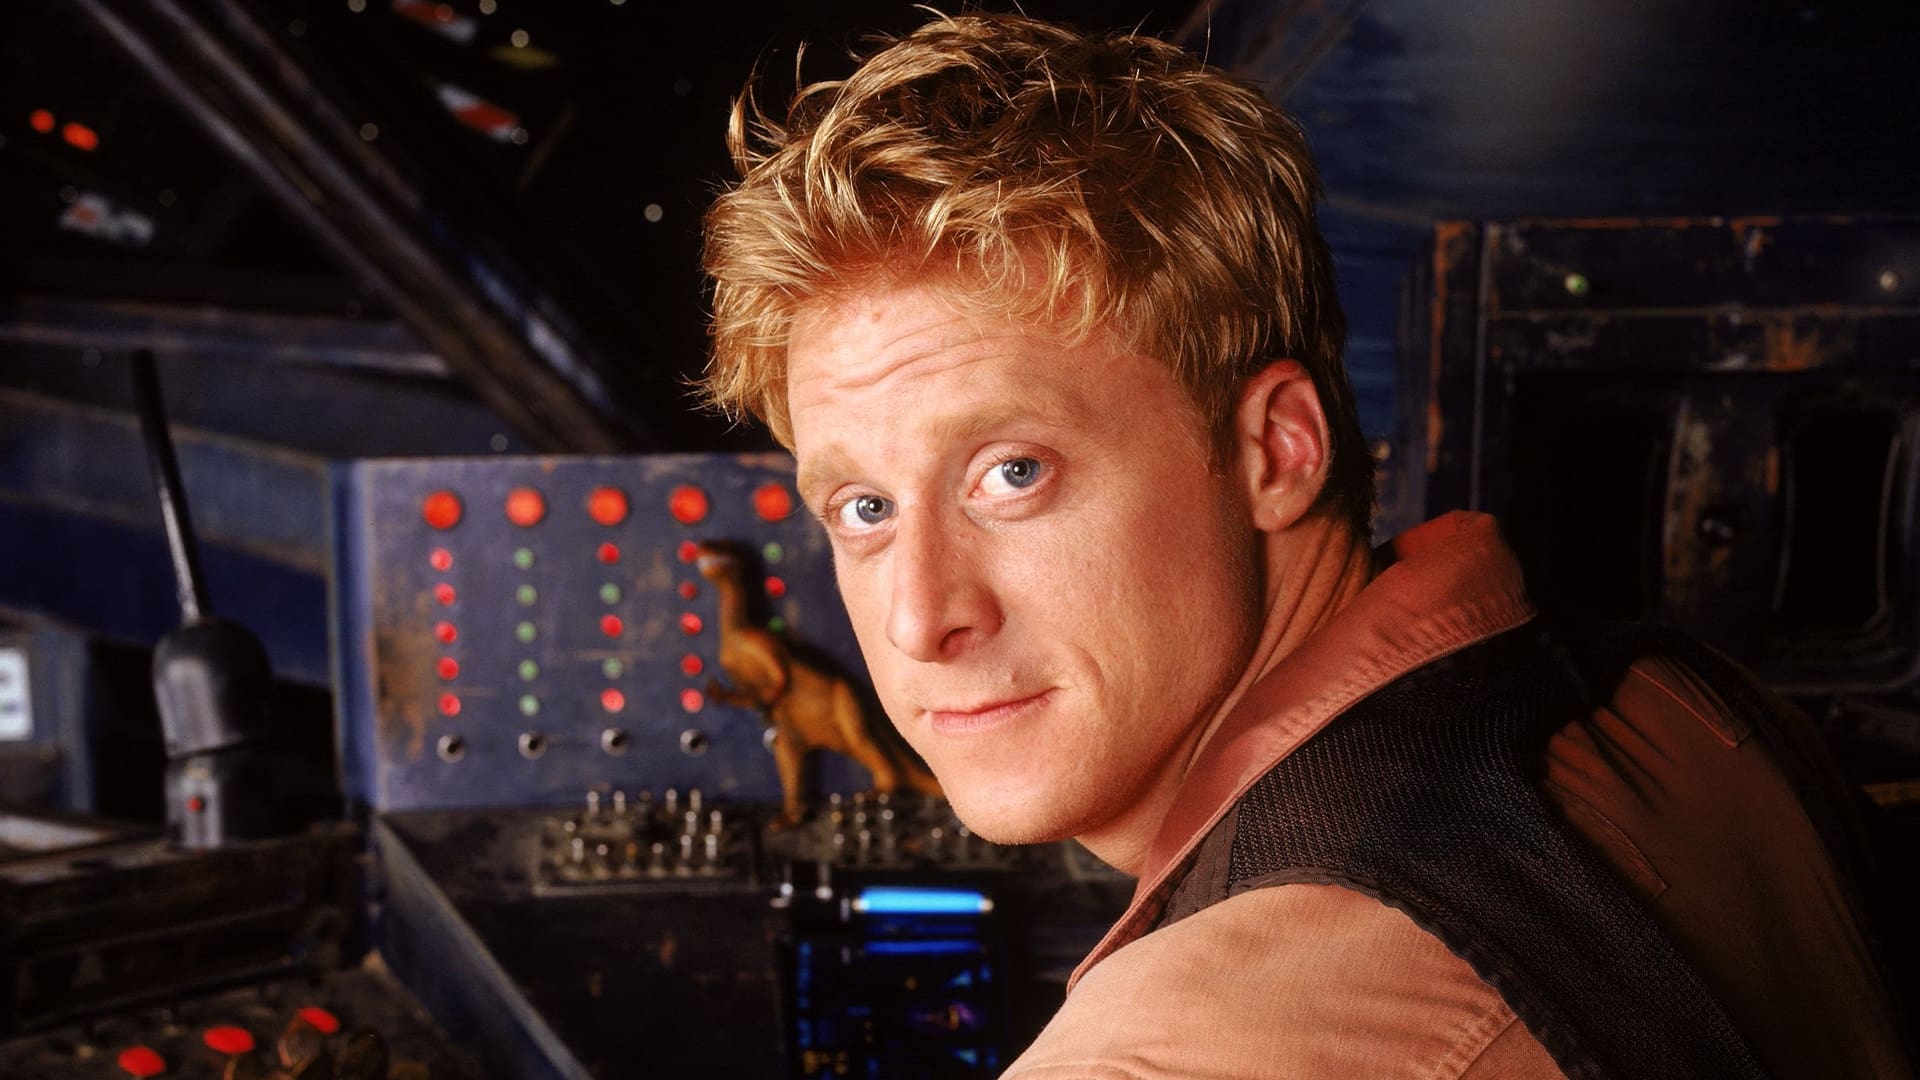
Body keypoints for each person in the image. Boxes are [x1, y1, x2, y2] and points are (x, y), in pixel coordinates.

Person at [700, 12, 1912, 1077]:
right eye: (862, 509)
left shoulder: (1181, 1053)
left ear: (1277, 450)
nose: (919, 619)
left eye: (1013, 474)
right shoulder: (1673, 699)